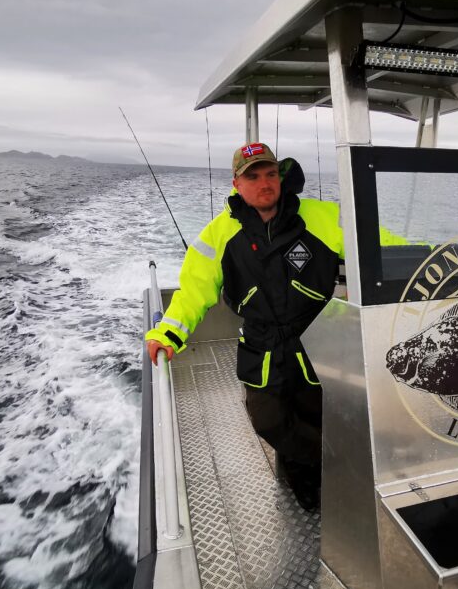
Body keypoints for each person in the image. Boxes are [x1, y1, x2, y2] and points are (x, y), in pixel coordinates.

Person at [145, 142, 343, 510]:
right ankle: (328, 464)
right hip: (262, 341)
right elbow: (193, 292)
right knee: (269, 419)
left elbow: (382, 248)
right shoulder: (218, 234)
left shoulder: (324, 217)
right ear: (236, 183)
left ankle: (317, 477)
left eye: (270, 174)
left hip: (318, 335)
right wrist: (168, 333)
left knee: (320, 411)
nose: (263, 183)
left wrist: (432, 265)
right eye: (252, 176)